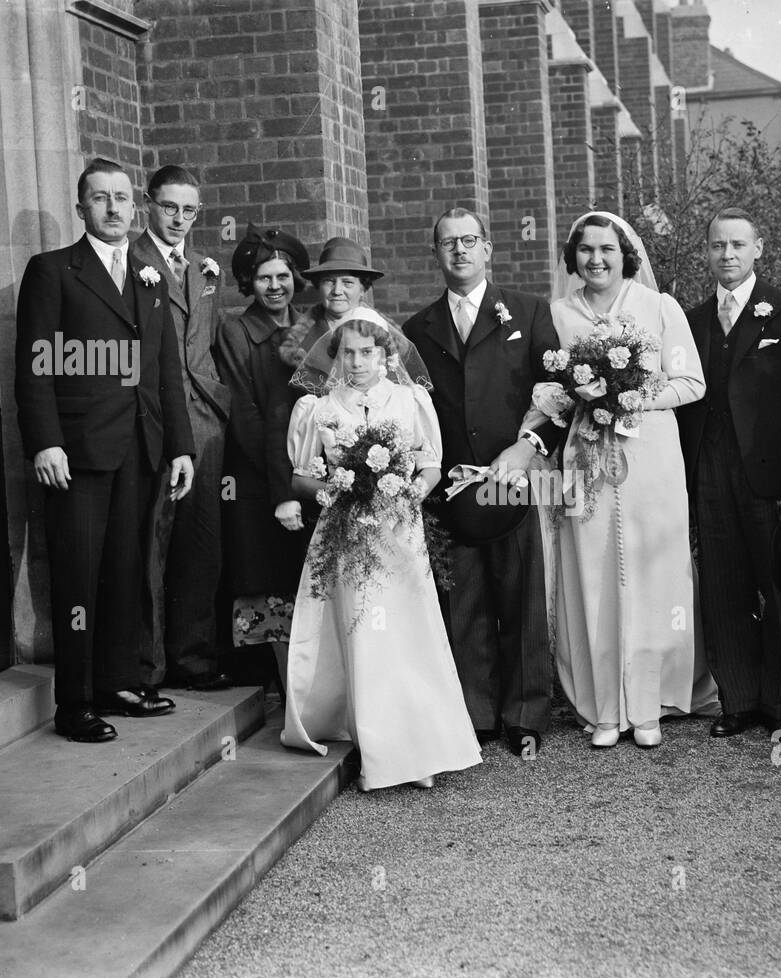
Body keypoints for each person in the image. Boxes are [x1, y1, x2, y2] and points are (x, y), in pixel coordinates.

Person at [14, 157, 193, 743]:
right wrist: (46, 441)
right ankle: (74, 702)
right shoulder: (54, 270)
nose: (114, 209)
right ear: (81, 206)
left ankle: (119, 681)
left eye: (122, 198)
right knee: (78, 578)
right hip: (80, 452)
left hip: (140, 449)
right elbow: (36, 366)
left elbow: (166, 370)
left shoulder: (149, 274)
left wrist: (181, 448)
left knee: (123, 570)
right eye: (100, 198)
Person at [281, 309, 482, 790]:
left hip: (400, 533)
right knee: (363, 635)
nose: (357, 361)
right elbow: (301, 476)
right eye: (347, 352)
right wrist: (331, 492)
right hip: (348, 537)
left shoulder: (411, 400)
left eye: (367, 351)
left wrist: (412, 491)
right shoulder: (319, 408)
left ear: (386, 353)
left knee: (410, 634)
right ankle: (379, 752)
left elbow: (431, 464)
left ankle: (420, 745)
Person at [538, 211, 716, 748]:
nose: (596, 260)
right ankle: (603, 708)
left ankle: (650, 705)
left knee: (655, 574)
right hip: (586, 460)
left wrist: (631, 398)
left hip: (651, 459)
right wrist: (573, 396)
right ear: (574, 258)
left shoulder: (659, 308)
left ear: (626, 255)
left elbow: (692, 381)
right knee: (591, 573)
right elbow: (546, 391)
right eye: (586, 250)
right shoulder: (558, 315)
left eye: (607, 250)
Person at [402, 208, 564, 756]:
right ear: (436, 253)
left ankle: (525, 715)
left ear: (488, 247)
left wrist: (526, 447)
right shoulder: (417, 329)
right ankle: (475, 714)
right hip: (451, 484)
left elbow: (559, 389)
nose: (460, 251)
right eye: (448, 243)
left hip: (510, 477)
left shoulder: (527, 311)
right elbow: (414, 410)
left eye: (469, 240)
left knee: (519, 591)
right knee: (463, 599)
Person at [676, 208, 781, 737]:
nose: (727, 255)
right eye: (717, 246)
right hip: (711, 470)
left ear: (759, 248)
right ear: (706, 252)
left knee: (779, 586)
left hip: (772, 474)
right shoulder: (690, 320)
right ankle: (737, 699)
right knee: (723, 586)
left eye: (738, 244)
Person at [134, 164, 232, 692]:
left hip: (205, 421)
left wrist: (221, 402)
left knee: (201, 542)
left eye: (189, 209)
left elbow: (209, 344)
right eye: (169, 206)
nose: (178, 218)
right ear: (148, 203)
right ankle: (147, 667)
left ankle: (193, 659)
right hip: (154, 420)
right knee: (152, 538)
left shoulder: (205, 269)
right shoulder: (131, 262)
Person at [212, 226, 313, 696]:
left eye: (284, 276)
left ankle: (310, 684)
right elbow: (245, 411)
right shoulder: (236, 331)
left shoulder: (311, 327)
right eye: (264, 278)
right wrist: (282, 473)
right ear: (248, 284)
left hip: (308, 473)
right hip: (257, 475)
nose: (275, 287)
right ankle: (276, 685)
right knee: (265, 577)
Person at [279, 236, 386, 393]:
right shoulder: (298, 341)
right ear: (318, 286)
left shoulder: (382, 332)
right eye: (329, 281)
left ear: (363, 288)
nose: (337, 291)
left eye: (347, 282)